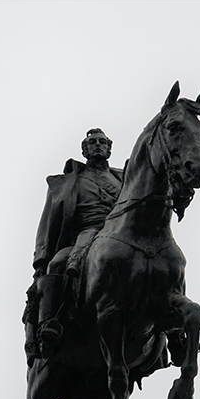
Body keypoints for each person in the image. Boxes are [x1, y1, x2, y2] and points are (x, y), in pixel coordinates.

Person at [23, 129, 123, 364]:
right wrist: (40, 261)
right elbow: (47, 223)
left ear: (109, 148)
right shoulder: (66, 183)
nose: (97, 146)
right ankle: (50, 323)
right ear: (84, 150)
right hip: (84, 232)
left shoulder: (125, 178)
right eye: (92, 143)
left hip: (121, 232)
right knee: (58, 263)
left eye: (102, 142)